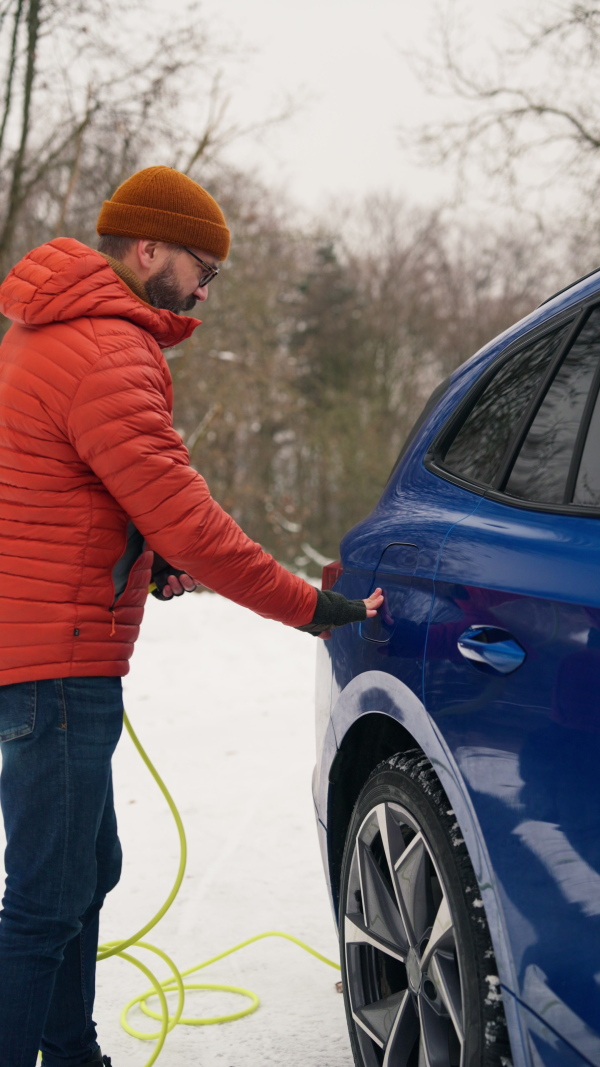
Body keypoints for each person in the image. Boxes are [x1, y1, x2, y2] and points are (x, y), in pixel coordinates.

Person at [0, 166, 383, 1067]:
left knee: (85, 875)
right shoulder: (107, 346)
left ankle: (73, 1049)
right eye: (202, 268)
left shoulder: (42, 332)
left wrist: (143, 546)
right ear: (148, 249)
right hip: (55, 660)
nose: (206, 288)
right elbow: (196, 522)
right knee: (47, 900)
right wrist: (313, 607)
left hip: (46, 647)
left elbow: (58, 489)